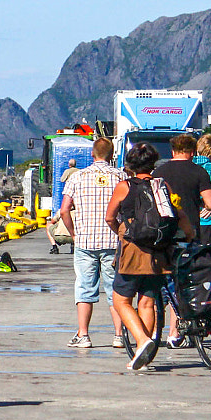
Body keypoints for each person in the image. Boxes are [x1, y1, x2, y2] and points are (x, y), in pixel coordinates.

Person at [108, 142, 188, 371]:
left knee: (121, 300)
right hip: (159, 252)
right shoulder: (162, 185)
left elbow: (110, 217)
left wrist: (123, 231)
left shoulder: (124, 186)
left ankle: (142, 341)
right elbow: (177, 213)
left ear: (131, 164)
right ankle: (145, 357)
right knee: (147, 301)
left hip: (133, 251)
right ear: (153, 164)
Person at [57, 136, 128, 350]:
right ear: (111, 154)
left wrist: (74, 233)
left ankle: (84, 335)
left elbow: (64, 209)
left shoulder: (78, 177)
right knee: (115, 288)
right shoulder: (121, 176)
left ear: (92, 154)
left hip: (85, 241)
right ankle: (118, 335)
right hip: (113, 240)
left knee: (85, 288)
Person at [157, 135, 211, 254]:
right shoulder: (199, 171)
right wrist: (203, 206)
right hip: (190, 228)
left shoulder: (159, 171)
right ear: (192, 152)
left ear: (172, 151)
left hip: (165, 228)